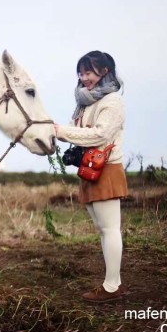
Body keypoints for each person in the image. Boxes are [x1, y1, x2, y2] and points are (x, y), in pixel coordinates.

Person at [54, 50, 129, 303]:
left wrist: (61, 132)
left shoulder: (112, 101)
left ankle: (111, 287)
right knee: (102, 229)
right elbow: (79, 133)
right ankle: (114, 282)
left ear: (104, 72)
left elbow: (100, 135)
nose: (83, 77)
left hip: (106, 169)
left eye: (88, 72)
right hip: (89, 169)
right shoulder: (85, 103)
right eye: (81, 72)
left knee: (110, 229)